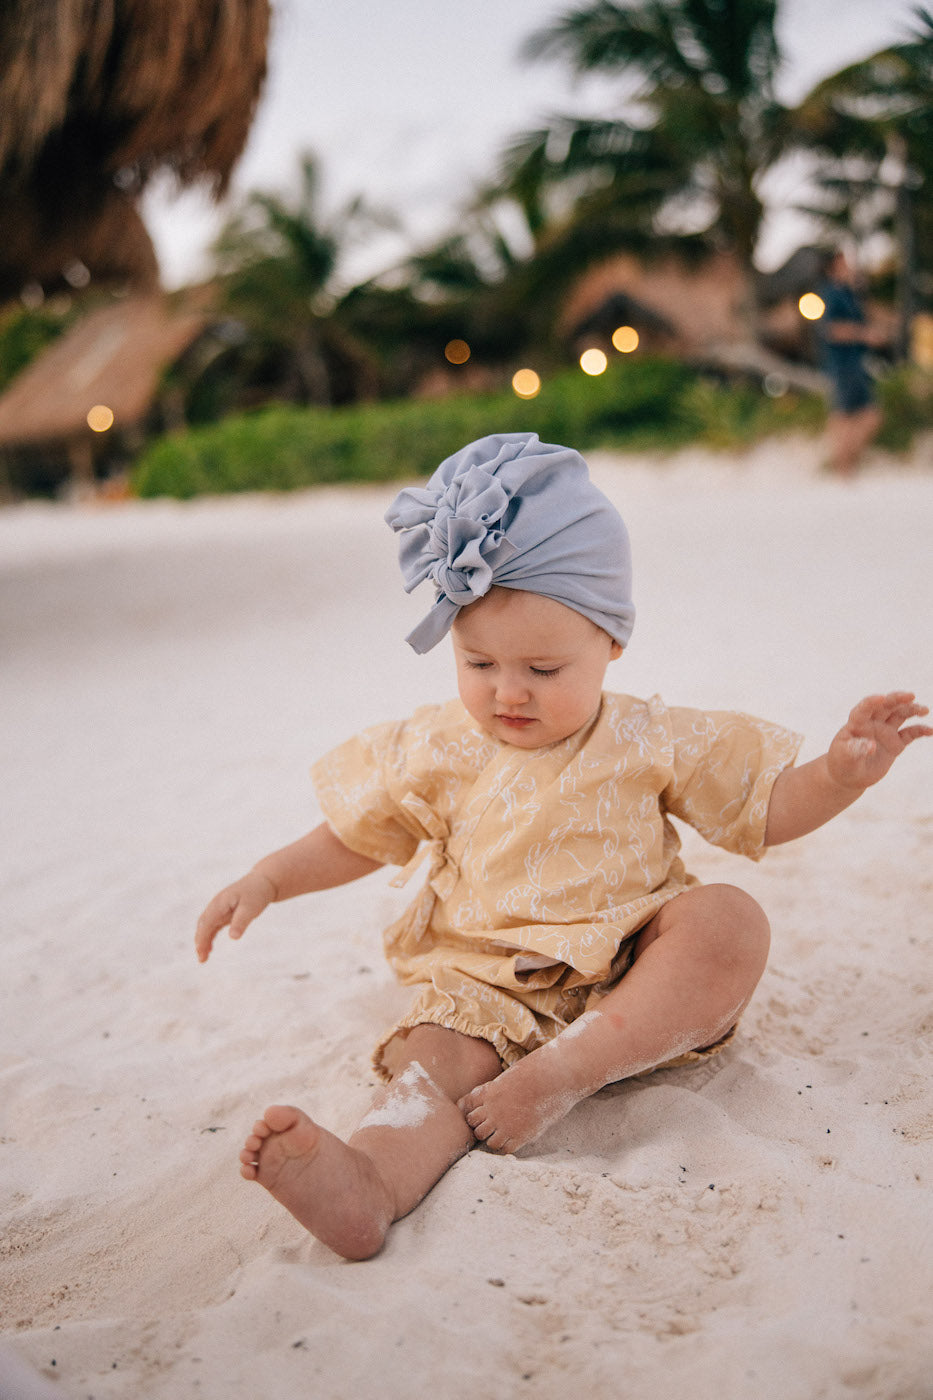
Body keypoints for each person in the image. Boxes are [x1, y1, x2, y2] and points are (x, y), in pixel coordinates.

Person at [194, 432, 930, 1261]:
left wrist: (839, 773)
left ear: (610, 644)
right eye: (477, 663)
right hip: (486, 985)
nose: (508, 691)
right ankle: (367, 1182)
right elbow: (358, 833)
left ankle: (569, 1070)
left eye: (544, 669)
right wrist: (268, 879)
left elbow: (764, 808)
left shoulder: (649, 737)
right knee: (427, 1076)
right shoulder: (438, 748)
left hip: (630, 971)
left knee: (728, 920)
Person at [817, 248, 887, 477]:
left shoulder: (849, 293)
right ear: (832, 268)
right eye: (844, 264)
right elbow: (830, 330)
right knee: (845, 415)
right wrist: (864, 334)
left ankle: (846, 464)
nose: (849, 268)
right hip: (842, 363)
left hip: (857, 362)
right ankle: (842, 467)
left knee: (867, 415)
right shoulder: (831, 294)